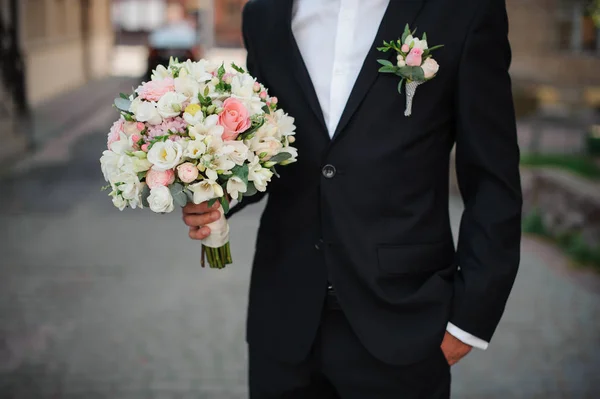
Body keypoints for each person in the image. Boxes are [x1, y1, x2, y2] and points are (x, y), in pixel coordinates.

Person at [182, 0, 522, 397]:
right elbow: (264, 148)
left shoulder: (463, 11)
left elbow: (493, 178)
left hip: (404, 323)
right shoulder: (264, 12)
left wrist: (470, 319)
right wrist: (217, 196)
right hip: (283, 322)